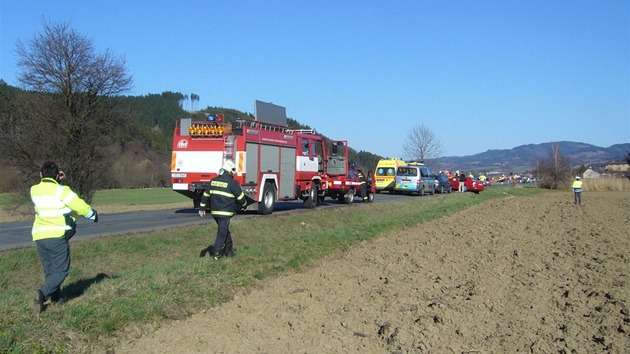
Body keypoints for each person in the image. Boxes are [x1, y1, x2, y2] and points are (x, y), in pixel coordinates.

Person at [30, 161, 98, 313]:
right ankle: (41, 293)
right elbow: (79, 206)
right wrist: (93, 215)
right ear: (57, 175)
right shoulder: (62, 191)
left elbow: (47, 189)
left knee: (50, 271)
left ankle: (56, 299)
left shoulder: (34, 190)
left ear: (41, 175)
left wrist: (56, 179)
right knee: (61, 270)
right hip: (57, 235)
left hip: (40, 236)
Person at [198, 159, 247, 260]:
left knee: (224, 230)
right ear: (230, 171)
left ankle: (229, 251)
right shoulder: (233, 183)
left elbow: (205, 196)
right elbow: (241, 198)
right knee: (222, 232)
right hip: (225, 212)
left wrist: (202, 208)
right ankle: (216, 252)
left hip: (215, 212)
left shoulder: (213, 181)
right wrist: (244, 205)